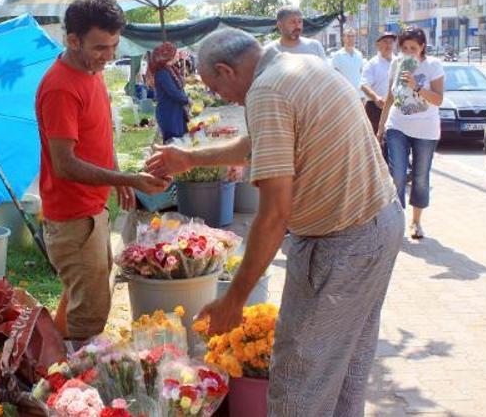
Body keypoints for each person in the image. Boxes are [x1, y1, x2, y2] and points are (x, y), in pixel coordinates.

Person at [146, 28, 402, 416]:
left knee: (301, 374)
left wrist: (234, 299)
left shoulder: (267, 91)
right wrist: (191, 158)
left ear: (225, 70)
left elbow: (274, 214)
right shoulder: (300, 64)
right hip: (379, 225)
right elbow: (259, 143)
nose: (221, 98)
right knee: (346, 365)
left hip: (342, 243)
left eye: (215, 87)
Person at [35, 0, 170, 344]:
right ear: (72, 40)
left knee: (82, 290)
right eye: (100, 47)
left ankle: (52, 355)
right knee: (91, 312)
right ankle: (79, 384)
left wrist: (116, 177)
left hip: (92, 208)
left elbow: (98, 136)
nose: (109, 56)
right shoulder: (60, 88)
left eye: (113, 46)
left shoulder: (91, 72)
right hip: (72, 216)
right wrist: (126, 178)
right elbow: (64, 164)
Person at [377, 27, 444, 239]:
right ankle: (397, 222)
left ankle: (416, 222)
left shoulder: (433, 65)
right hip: (397, 125)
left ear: (422, 47)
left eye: (413, 48)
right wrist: (380, 127)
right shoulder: (397, 63)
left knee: (420, 177)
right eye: (404, 48)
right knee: (396, 174)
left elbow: (438, 99)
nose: (408, 52)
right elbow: (390, 97)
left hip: (426, 130)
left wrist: (416, 87)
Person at [151, 42, 190, 143]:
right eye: (176, 53)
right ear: (168, 55)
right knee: (173, 142)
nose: (178, 54)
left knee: (181, 141)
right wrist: (187, 100)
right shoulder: (162, 73)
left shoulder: (171, 69)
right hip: (169, 113)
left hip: (176, 111)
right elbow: (173, 92)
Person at [361, 32, 397, 134]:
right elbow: (364, 84)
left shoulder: (399, 62)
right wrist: (376, 97)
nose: (388, 45)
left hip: (395, 107)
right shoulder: (372, 64)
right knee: (377, 141)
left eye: (391, 42)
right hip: (376, 107)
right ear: (378, 45)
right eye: (385, 42)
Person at [331, 27, 364, 96]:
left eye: (353, 36)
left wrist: (363, 95)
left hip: (358, 94)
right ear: (343, 38)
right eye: (348, 36)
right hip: (344, 94)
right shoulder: (337, 55)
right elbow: (334, 76)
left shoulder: (359, 55)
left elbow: (361, 74)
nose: (351, 39)